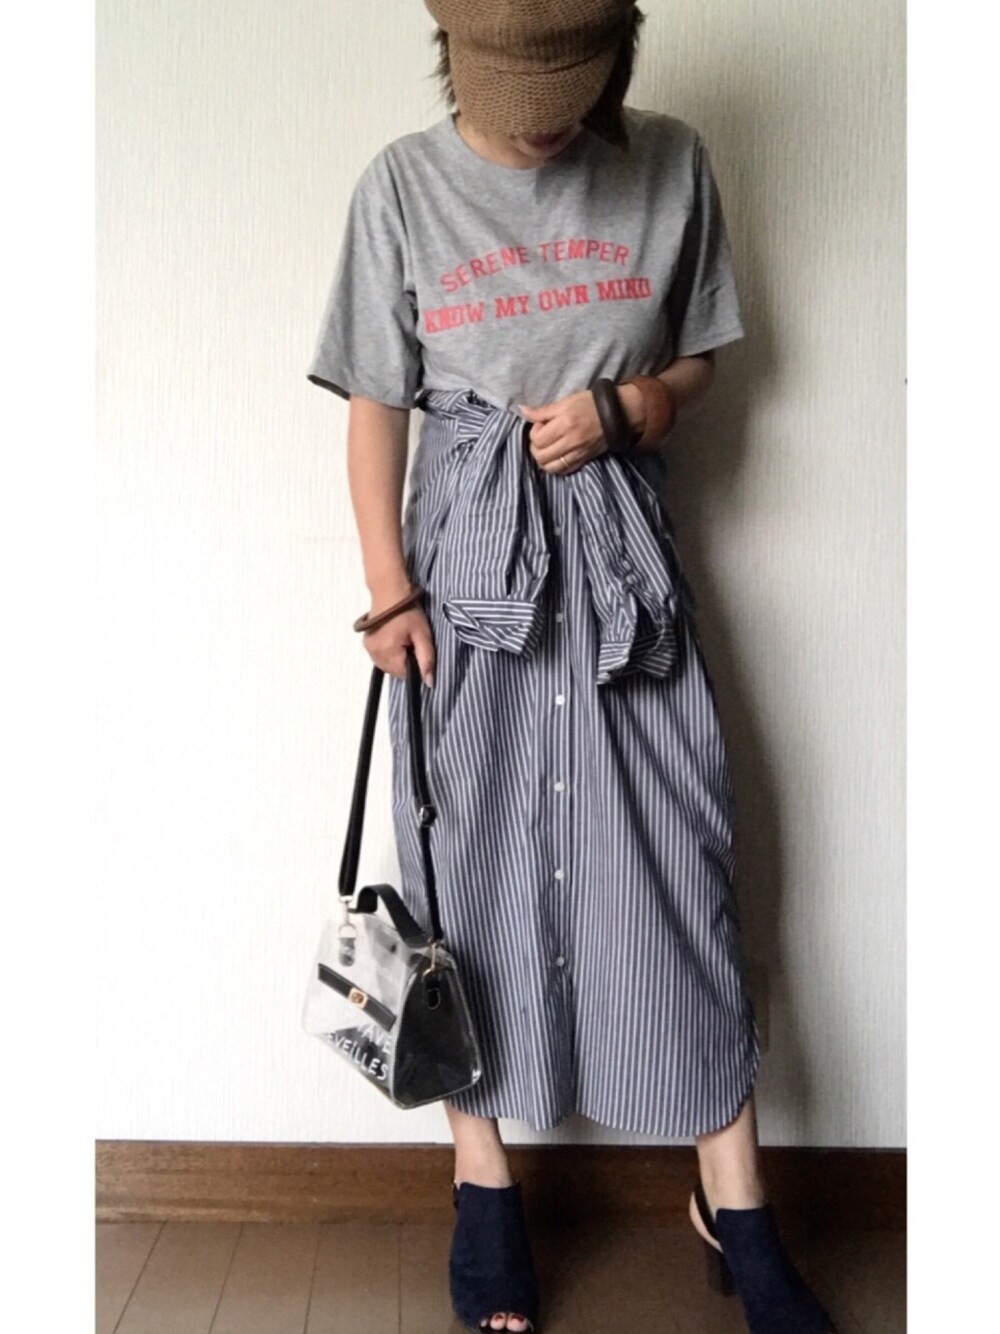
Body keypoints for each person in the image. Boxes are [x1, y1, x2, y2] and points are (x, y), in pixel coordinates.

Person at [306, 3, 839, 1332]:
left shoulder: (673, 163)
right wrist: (387, 591)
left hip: (620, 570)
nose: (540, 123)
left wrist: (642, 405)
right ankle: (482, 1186)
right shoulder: (402, 188)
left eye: (564, 91)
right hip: (466, 579)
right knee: (466, 869)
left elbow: (698, 359)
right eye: (510, 93)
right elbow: (376, 403)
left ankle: (736, 1199)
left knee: (677, 864)